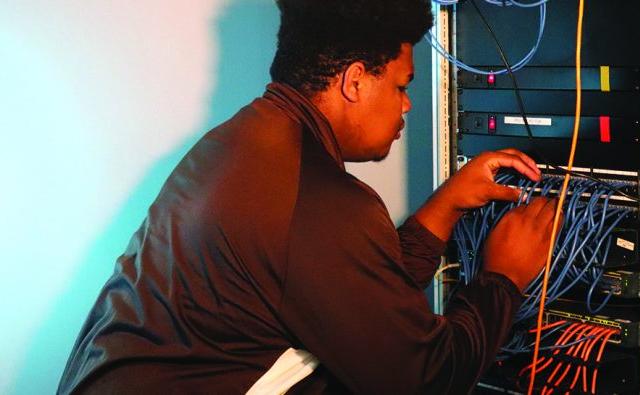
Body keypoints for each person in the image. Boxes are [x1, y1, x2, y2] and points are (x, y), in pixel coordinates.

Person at [58, 0, 556, 393]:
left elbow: (351, 300)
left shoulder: (244, 143)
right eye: (402, 85)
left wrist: (442, 208)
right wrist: (503, 277)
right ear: (356, 80)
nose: (406, 103)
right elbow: (426, 379)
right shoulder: (315, 196)